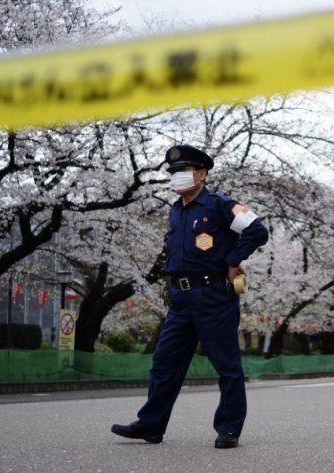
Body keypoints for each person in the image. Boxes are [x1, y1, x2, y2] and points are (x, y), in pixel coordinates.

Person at [111, 144, 269, 449]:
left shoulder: (221, 205)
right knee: (164, 363)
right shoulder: (176, 210)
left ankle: (229, 428)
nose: (177, 176)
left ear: (201, 173)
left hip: (214, 295)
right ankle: (151, 424)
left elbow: (257, 231)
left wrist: (233, 260)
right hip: (180, 298)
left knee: (226, 365)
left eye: (183, 170)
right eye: (173, 172)